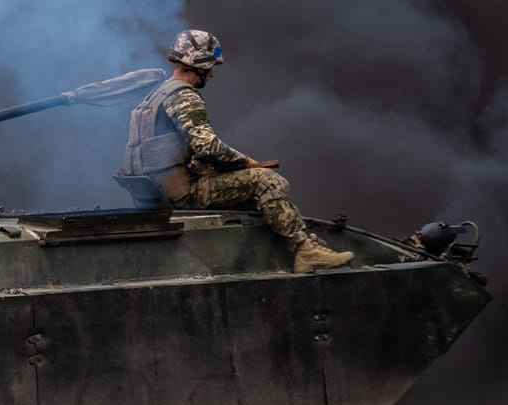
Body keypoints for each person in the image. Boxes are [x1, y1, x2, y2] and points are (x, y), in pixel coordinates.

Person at [123, 30, 354, 274]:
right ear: (198, 64)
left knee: (252, 188)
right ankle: (304, 250)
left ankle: (301, 242)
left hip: (161, 192)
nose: (211, 74)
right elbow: (207, 146)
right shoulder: (184, 97)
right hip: (183, 194)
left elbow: (180, 152)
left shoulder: (156, 95)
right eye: (210, 67)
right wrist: (243, 161)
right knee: (268, 182)